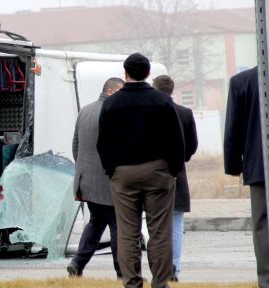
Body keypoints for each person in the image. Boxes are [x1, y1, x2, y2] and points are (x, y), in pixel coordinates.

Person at [97, 53, 185, 288]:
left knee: (127, 231)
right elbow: (177, 141)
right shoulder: (162, 101)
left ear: (125, 73)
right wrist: (172, 171)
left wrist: (111, 171)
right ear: (148, 73)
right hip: (158, 172)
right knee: (159, 230)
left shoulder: (111, 104)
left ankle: (132, 282)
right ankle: (160, 282)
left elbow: (102, 143)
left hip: (123, 174)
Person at [67, 77, 124, 279]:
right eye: (120, 91)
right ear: (110, 91)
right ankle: (122, 272)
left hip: (86, 180)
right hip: (106, 181)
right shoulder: (112, 113)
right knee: (117, 226)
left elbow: (76, 145)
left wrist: (85, 170)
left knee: (96, 222)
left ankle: (77, 264)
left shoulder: (85, 110)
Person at [223, 67, 269, 288]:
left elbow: (234, 127)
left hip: (258, 164)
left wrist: (233, 164)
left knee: (262, 224)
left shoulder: (242, 82)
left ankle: (268, 279)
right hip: (263, 165)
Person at [152, 75, 198, 282]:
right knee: (176, 222)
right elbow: (192, 145)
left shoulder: (150, 112)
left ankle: (159, 269)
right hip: (177, 172)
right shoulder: (185, 113)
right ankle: (175, 269)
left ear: (154, 89)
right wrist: (182, 157)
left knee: (155, 224)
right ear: (172, 91)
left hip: (152, 172)